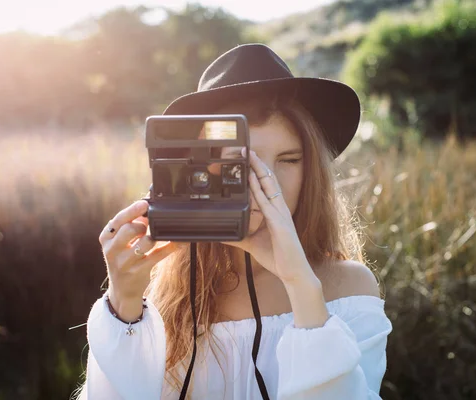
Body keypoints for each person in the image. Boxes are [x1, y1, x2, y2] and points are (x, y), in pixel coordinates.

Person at [75, 43, 392, 400]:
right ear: (199, 167)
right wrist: (124, 304)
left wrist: (301, 284)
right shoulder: (167, 289)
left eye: (289, 160)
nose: (265, 181)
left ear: (313, 171)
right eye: (242, 162)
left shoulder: (346, 287)